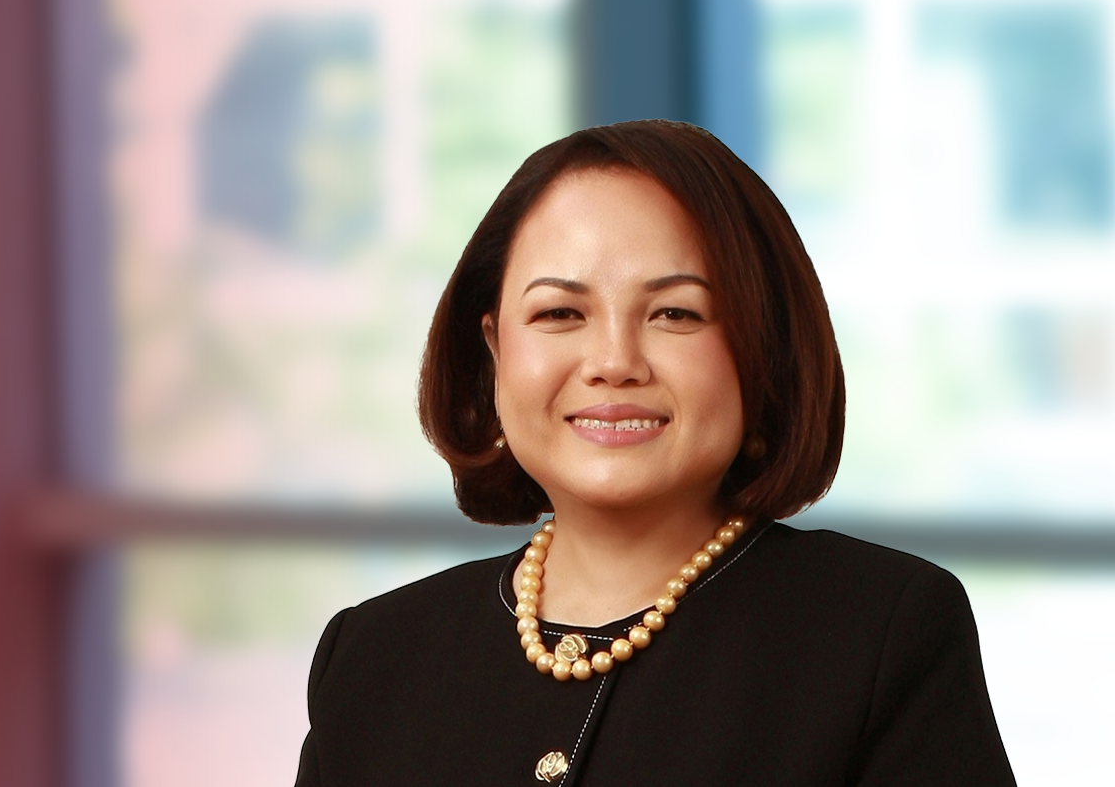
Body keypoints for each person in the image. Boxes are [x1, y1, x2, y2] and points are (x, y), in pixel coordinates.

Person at [293, 120, 1016, 786]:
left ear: (761, 350)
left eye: (675, 313)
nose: (614, 362)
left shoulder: (879, 632)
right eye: (559, 313)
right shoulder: (371, 655)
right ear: (493, 351)